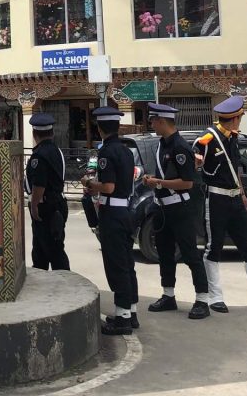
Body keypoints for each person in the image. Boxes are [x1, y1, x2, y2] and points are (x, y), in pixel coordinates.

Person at [196, 96, 247, 314]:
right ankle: (215, 297)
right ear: (233, 119)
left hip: (234, 198)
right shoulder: (208, 139)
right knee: (213, 248)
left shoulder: (233, 137)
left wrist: (241, 192)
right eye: (240, 118)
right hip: (215, 199)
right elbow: (196, 156)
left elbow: (235, 168)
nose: (240, 121)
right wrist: (197, 161)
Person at [143, 103, 210, 320]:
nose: (151, 123)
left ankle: (202, 300)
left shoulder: (180, 147)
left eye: (153, 120)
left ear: (162, 121)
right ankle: (168, 295)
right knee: (164, 254)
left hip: (180, 208)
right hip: (163, 208)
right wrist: (153, 182)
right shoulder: (162, 144)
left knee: (190, 255)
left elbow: (188, 183)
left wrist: (159, 183)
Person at [82, 106, 138, 335]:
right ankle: (131, 311)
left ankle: (123, 317)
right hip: (125, 211)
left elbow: (108, 187)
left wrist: (89, 184)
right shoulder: (126, 151)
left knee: (116, 266)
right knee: (127, 264)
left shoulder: (106, 153)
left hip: (112, 214)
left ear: (99, 128)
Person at [26, 112, 70, 272]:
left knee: (53, 251)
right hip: (57, 204)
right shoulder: (56, 151)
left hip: (46, 208)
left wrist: (34, 205)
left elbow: (39, 184)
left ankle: (66, 286)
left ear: (34, 134)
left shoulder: (40, 156)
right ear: (51, 133)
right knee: (42, 250)